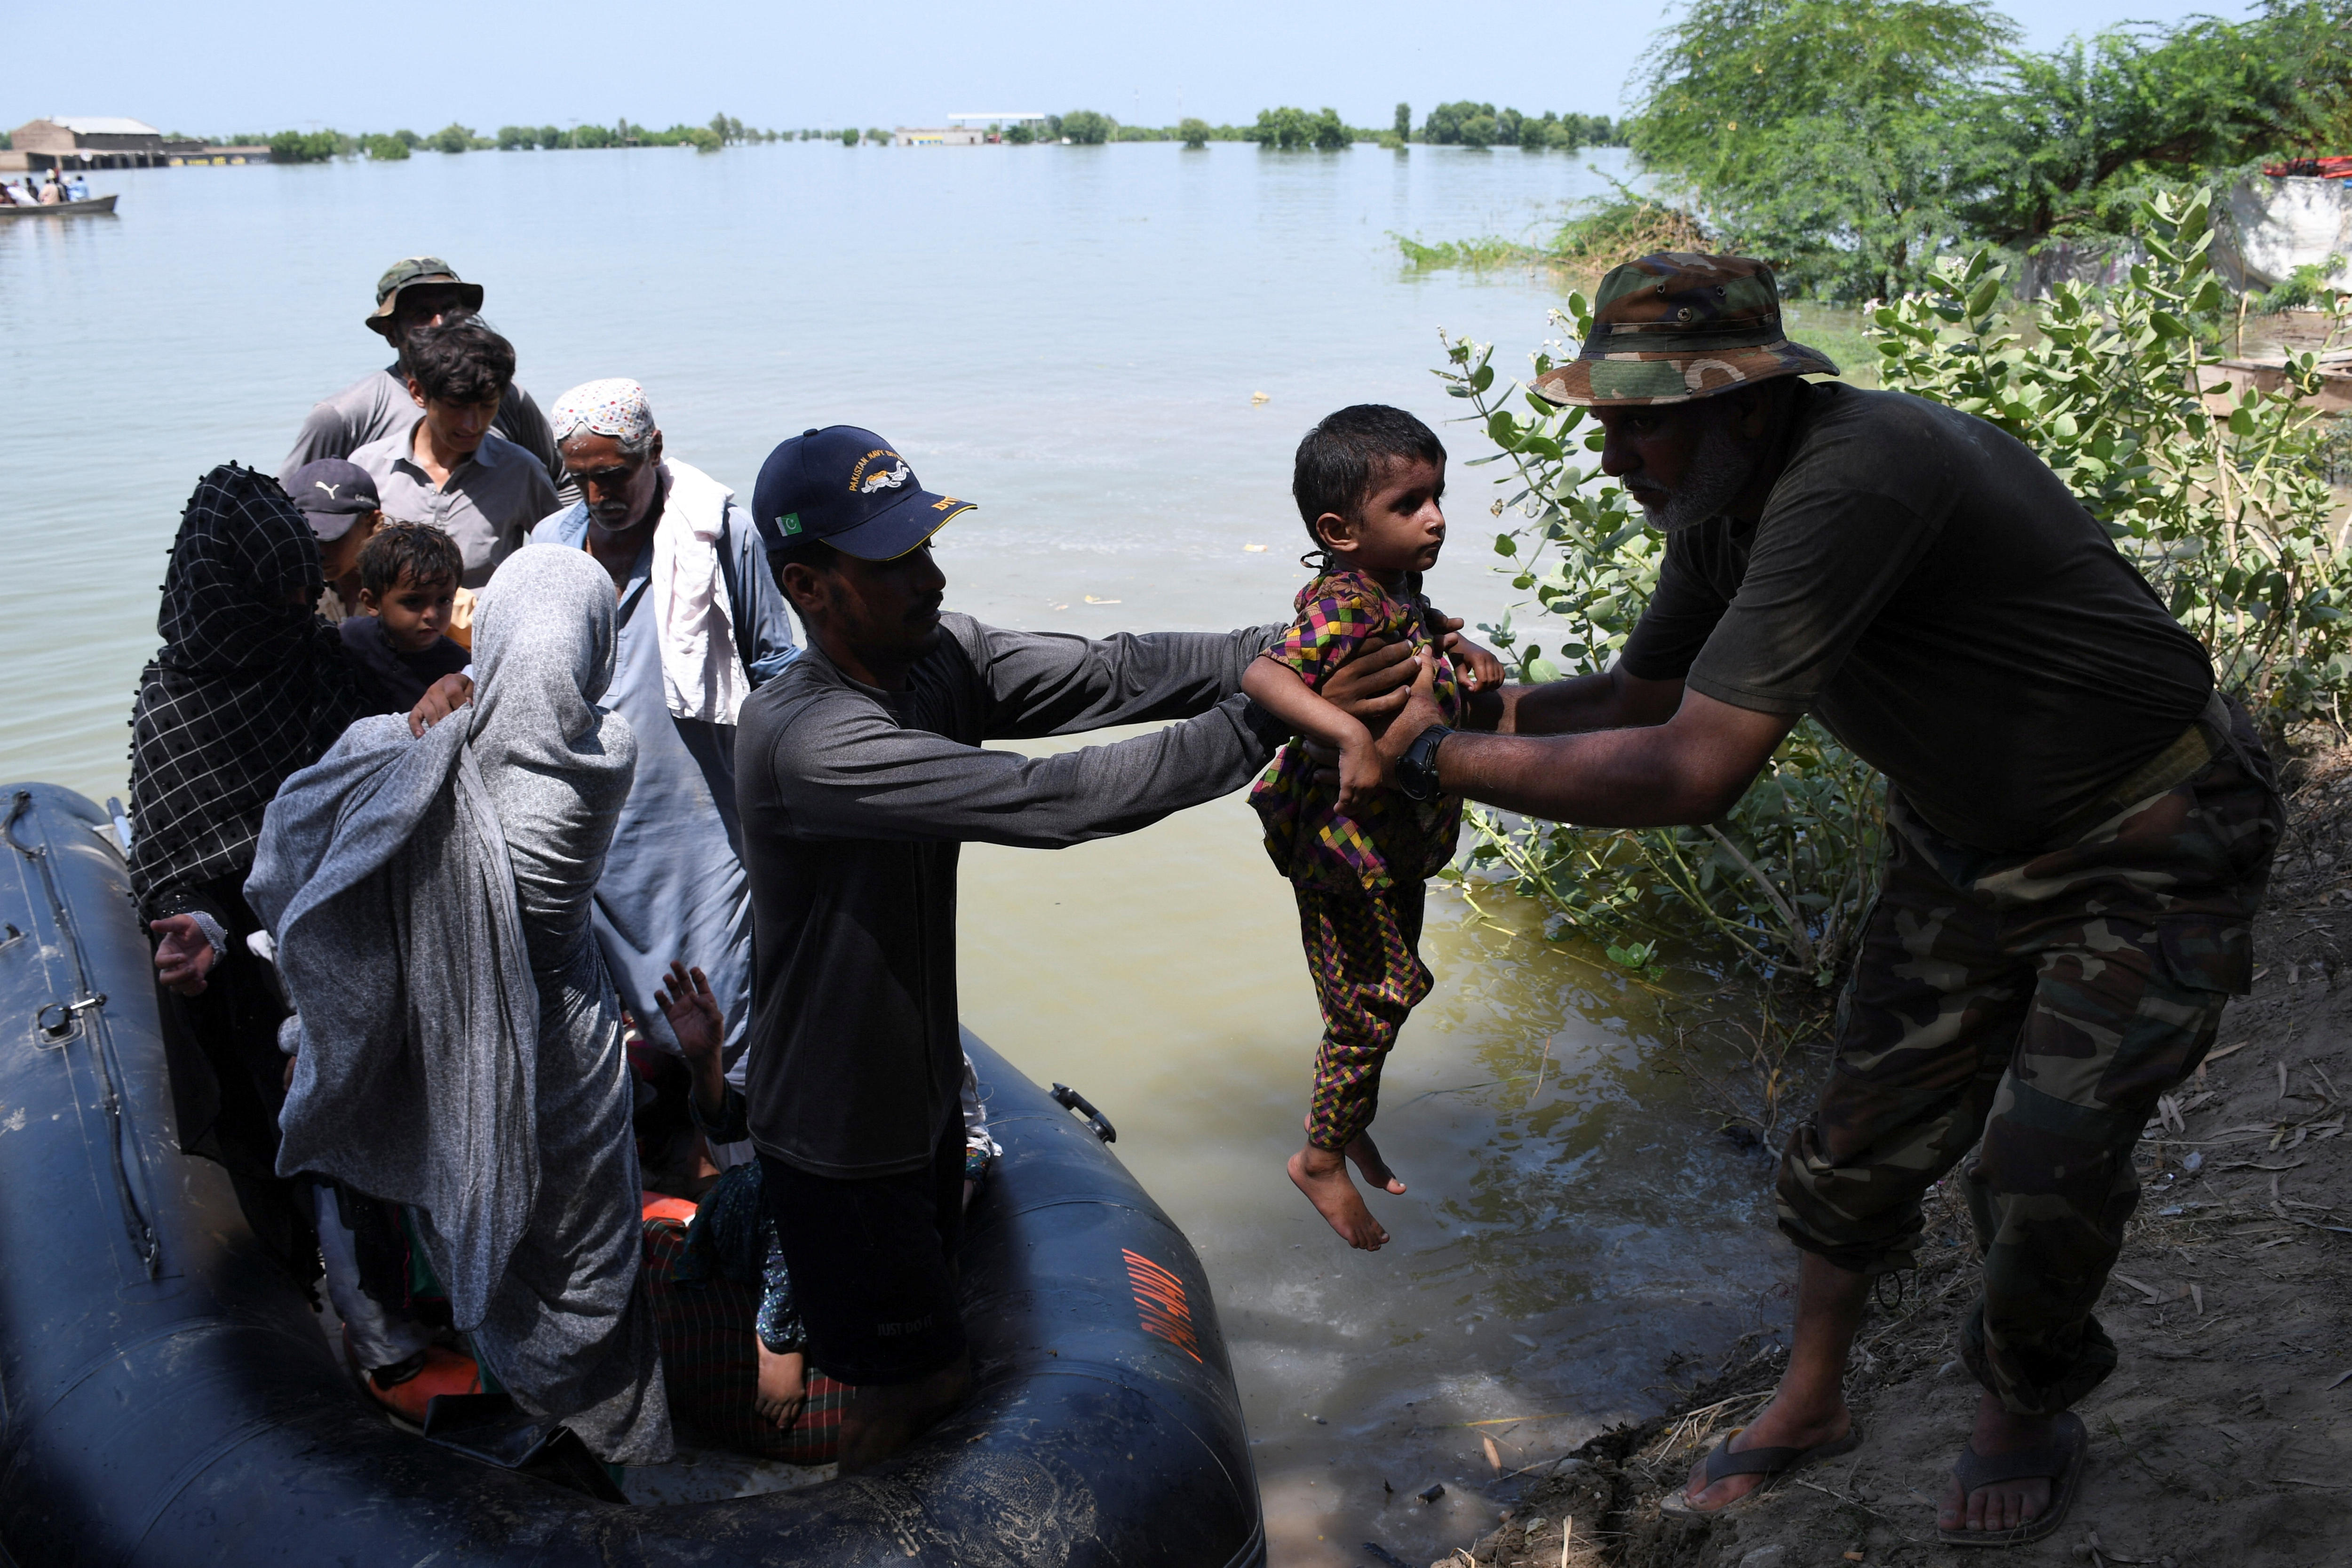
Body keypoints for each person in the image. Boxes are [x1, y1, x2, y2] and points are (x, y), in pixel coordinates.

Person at [1355, 252, 2283, 1547]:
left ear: (1745, 400)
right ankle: (1811, 1397)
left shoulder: (1857, 475)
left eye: (1643, 424)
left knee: (2042, 1163)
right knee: (1853, 1140)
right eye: (1606, 420)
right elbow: (1638, 700)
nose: (1614, 456)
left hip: (2148, 832)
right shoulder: (1719, 498)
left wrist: (1433, 759)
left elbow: (1693, 771)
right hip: (1961, 837)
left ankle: (2023, 1408)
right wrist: (1463, 707)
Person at [731, 424, 1476, 1471]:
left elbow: (1117, 672)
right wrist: (1268, 725)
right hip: (842, 1129)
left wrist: (1316, 642)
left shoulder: (939, 657)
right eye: (894, 562)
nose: (929, 576)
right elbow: (1051, 799)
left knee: (926, 1349)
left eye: (927, 546)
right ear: (808, 586)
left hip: (921, 1092)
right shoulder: (810, 739)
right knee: (908, 1382)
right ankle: (863, 1517)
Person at [248, 546, 673, 1467]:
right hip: (572, 1046)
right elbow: (538, 699)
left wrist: (419, 721)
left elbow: (303, 830)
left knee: (501, 1231)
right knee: (586, 1246)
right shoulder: (608, 751)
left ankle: (521, 1412)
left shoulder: (444, 743)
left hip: (476, 1042)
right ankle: (615, 1429)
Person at [1240, 405, 1500, 1251]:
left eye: (1439, 495)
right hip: (1344, 849)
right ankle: (1319, 1155)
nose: (1437, 517)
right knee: (1376, 1003)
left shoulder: (1391, 588)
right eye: (1411, 504)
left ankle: (1348, 1121)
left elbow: (1413, 628)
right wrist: (1349, 732)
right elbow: (1265, 673)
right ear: (1340, 530)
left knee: (1369, 1002)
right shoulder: (1343, 604)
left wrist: (1459, 649)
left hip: (1389, 847)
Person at [527, 379, 797, 1158]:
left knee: (718, 1003)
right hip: (590, 825)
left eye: (616, 472)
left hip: (701, 822)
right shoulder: (548, 548)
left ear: (656, 450)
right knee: (601, 1019)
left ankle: (739, 1167)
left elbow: (777, 668)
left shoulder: (717, 533)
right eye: (582, 476)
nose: (601, 493)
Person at [129, 464, 366, 1277]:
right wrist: (195, 926)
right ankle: (337, 1294)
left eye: (305, 594)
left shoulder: (322, 661)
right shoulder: (176, 703)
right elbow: (173, 858)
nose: (297, 614)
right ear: (229, 596)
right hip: (247, 980)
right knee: (288, 1147)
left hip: (348, 946)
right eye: (279, 600)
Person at [279, 257, 567, 501]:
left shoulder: (506, 398)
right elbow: (289, 503)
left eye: (452, 311)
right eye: (422, 314)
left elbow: (563, 481)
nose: (441, 324)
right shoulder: (345, 415)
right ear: (391, 332)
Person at [349, 313, 557, 589]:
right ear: (418, 392)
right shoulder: (368, 469)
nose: (474, 425)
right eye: (456, 406)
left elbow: (561, 559)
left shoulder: (521, 471)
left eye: (487, 406)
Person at [342, 522, 469, 715]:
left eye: (443, 600)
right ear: (372, 603)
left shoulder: (457, 667)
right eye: (413, 601)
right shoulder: (348, 642)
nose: (431, 615)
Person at [285, 457, 381, 620]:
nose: (320, 551)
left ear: (372, 523)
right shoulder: (291, 593)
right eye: (309, 537)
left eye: (332, 538)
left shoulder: (406, 588)